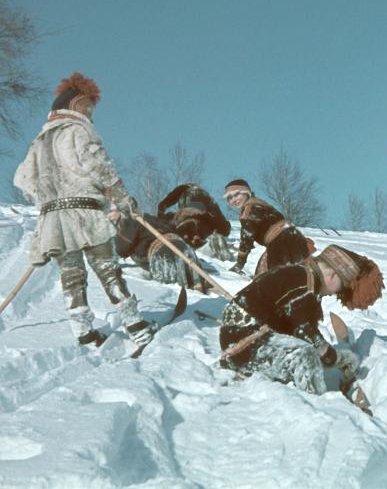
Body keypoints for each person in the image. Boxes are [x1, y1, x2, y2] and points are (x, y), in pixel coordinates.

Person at [13, 72, 154, 348]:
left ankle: (84, 332)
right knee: (107, 268)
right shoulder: (78, 131)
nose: (90, 114)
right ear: (75, 106)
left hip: (53, 220)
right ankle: (136, 325)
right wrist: (124, 200)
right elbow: (100, 167)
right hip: (85, 213)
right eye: (88, 107)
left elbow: (22, 179)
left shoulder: (38, 142)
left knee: (72, 274)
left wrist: (46, 198)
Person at [218, 244, 384, 394]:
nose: (334, 294)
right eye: (340, 287)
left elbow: (297, 330)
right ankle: (315, 404)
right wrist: (336, 358)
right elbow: (305, 331)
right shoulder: (302, 281)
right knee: (305, 355)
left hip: (248, 341)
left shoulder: (300, 278)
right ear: (333, 274)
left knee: (306, 352)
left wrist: (326, 355)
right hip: (246, 345)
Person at [223, 179, 312, 276]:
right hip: (292, 238)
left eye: (236, 195)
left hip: (282, 242)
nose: (233, 200)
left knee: (273, 279)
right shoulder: (259, 204)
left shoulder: (250, 209)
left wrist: (239, 263)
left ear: (246, 193)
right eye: (229, 198)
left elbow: (247, 238)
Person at [114, 212, 207, 292]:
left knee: (172, 286)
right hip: (181, 245)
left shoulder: (128, 221)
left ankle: (185, 294)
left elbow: (122, 250)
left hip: (161, 253)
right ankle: (200, 287)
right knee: (193, 275)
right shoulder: (151, 218)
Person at [158, 183, 232, 260]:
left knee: (188, 220)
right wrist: (224, 228)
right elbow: (217, 214)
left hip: (190, 214)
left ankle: (192, 238)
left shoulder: (187, 188)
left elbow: (172, 197)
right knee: (196, 223)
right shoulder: (208, 197)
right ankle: (205, 242)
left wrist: (161, 208)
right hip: (204, 220)